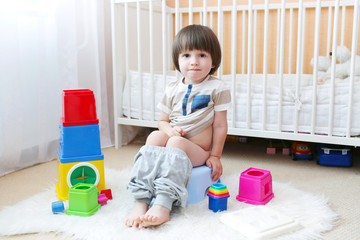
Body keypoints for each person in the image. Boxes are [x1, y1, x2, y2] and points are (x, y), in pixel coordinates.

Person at [125, 24, 231, 229]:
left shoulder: (217, 87)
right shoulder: (172, 89)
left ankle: (163, 204)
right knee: (155, 137)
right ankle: (141, 199)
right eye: (186, 55)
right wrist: (169, 130)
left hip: (197, 151)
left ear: (213, 60)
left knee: (175, 143)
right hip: (175, 140)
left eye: (202, 55)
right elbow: (162, 121)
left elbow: (219, 126)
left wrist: (215, 155)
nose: (194, 62)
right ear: (177, 60)